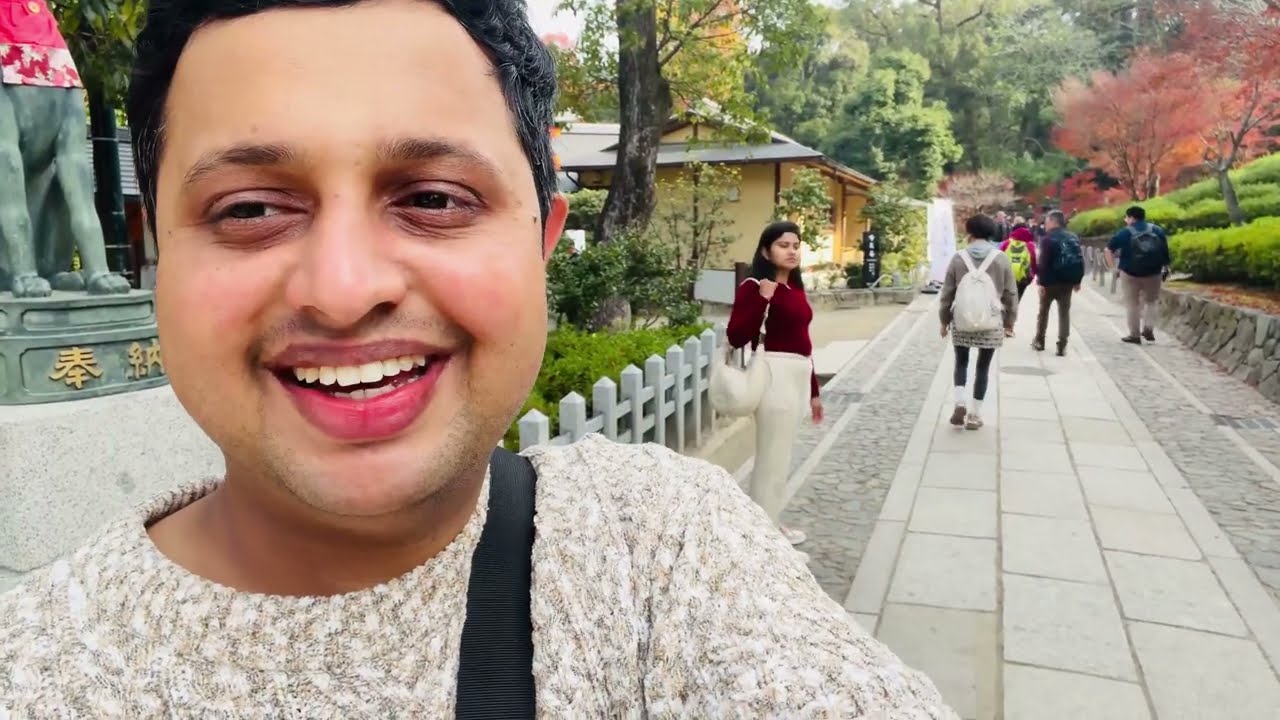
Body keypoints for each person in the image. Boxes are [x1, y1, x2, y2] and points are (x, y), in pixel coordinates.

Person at [0, 0, 956, 716]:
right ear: (155, 254)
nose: (341, 288)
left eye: (435, 199)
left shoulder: (660, 554)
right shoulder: (38, 666)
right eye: (250, 209)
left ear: (541, 243)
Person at [726, 221, 822, 551]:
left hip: (797, 374)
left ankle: (768, 521)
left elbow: (804, 342)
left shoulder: (796, 288)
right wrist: (762, 300)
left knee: (780, 457)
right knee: (772, 458)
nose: (792, 250)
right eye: (784, 245)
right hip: (774, 375)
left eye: (796, 245)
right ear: (767, 250)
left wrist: (813, 390)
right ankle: (763, 532)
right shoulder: (755, 286)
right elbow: (738, 336)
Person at [939, 214, 1018, 430]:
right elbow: (1011, 292)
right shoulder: (1001, 258)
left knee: (961, 361)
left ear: (969, 232)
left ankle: (959, 402)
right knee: (983, 367)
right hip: (991, 321)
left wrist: (944, 320)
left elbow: (947, 293)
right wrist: (1010, 321)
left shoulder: (958, 258)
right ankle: (974, 415)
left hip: (962, 319)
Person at [1106, 206, 1171, 344]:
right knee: (1151, 301)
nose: (1126, 220)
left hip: (1130, 273)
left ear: (1131, 218)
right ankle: (1148, 327)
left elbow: (1108, 249)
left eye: (1126, 217)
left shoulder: (1125, 233)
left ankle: (1134, 335)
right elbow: (1165, 252)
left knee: (1132, 304)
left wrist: (1114, 269)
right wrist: (1166, 267)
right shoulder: (1157, 230)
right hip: (1153, 272)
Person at [1033, 211, 1086, 356]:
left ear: (1053, 221)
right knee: (1064, 313)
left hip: (1050, 281)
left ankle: (1040, 340)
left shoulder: (1047, 239)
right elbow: (1079, 259)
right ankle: (1062, 344)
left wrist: (1041, 282)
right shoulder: (1073, 237)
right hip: (1068, 281)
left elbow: (1043, 262)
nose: (1045, 224)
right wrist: (1077, 280)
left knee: (1043, 311)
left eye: (1047, 221)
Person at [999, 225, 1038, 302]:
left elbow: (999, 258)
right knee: (1017, 298)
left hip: (1007, 276)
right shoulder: (1030, 245)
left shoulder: (1007, 243)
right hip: (1023, 278)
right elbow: (1034, 261)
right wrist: (1034, 274)